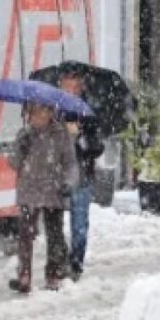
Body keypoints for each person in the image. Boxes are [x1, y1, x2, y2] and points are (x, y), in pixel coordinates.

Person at [8, 102, 78, 293]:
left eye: (38, 112)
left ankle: (53, 274)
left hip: (53, 190)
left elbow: (71, 164)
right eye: (31, 113)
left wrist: (68, 183)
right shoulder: (25, 135)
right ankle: (24, 276)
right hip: (28, 190)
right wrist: (19, 149)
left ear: (49, 113)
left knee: (54, 234)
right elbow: (13, 163)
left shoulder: (61, 134)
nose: (34, 117)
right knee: (25, 235)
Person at [58, 70, 104, 281]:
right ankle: (58, 261)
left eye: (74, 87)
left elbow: (97, 147)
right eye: (66, 87)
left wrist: (81, 139)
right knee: (54, 224)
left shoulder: (88, 114)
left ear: (80, 88)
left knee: (79, 224)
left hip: (81, 175)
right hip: (57, 175)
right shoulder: (53, 111)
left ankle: (76, 263)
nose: (70, 91)